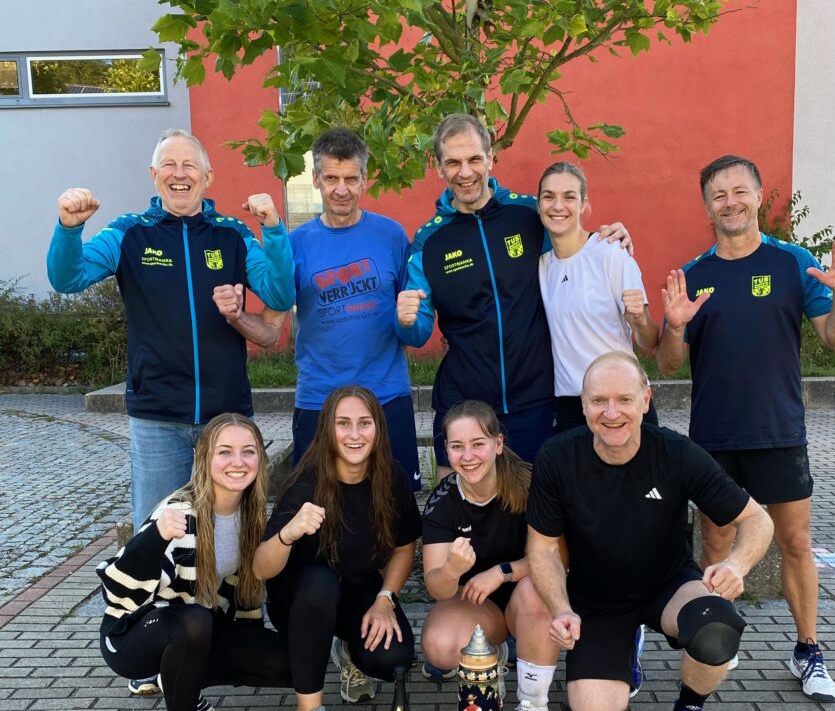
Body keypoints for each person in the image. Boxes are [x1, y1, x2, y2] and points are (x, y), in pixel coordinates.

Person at [657, 154, 835, 701]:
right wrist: (675, 328)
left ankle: (808, 650)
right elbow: (667, 364)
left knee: (795, 541)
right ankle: (715, 639)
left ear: (758, 196)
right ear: (707, 205)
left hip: (779, 432)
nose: (730, 202)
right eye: (718, 195)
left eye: (740, 191)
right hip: (713, 436)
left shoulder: (792, 262)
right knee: (714, 540)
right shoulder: (694, 275)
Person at [527, 353, 774, 711]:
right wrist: (561, 609)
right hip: (598, 599)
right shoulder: (556, 457)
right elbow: (544, 548)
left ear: (645, 399)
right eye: (599, 401)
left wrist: (736, 565)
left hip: (668, 585)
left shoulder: (676, 453)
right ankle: (625, 649)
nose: (611, 413)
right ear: (583, 404)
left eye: (624, 399)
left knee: (716, 626)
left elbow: (757, 519)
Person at [48, 128, 295, 531]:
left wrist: (273, 230)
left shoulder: (232, 234)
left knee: (232, 533)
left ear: (207, 176)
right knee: (157, 536)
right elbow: (67, 278)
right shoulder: (129, 233)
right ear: (154, 175)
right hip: (157, 418)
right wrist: (68, 228)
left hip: (226, 416)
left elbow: (280, 294)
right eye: (169, 165)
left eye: (189, 166)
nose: (179, 174)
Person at [395, 113, 631, 470]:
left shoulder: (528, 214)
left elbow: (576, 247)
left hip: (535, 399)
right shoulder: (429, 240)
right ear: (439, 168)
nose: (465, 172)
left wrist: (611, 236)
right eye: (453, 163)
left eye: (474, 159)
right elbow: (417, 331)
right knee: (456, 500)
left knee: (540, 500)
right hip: (465, 405)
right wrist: (406, 321)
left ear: (490, 158)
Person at [96, 414, 290, 711]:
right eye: (225, 452)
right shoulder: (180, 512)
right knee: (194, 620)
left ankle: (182, 681)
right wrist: (154, 536)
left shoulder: (251, 514)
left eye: (248, 451)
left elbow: (239, 595)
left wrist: (249, 646)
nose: (238, 462)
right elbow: (118, 594)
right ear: (204, 459)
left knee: (289, 663)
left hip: (194, 629)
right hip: (130, 637)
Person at [253, 386, 420, 711]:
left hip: (356, 589)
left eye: (364, 423)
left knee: (394, 658)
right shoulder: (306, 483)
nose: (354, 434)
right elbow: (261, 568)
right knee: (320, 584)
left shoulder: (390, 476)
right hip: (300, 600)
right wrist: (288, 532)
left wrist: (385, 599)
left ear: (378, 429)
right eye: (343, 424)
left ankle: (347, 650)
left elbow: (403, 547)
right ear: (328, 429)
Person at [279, 128, 420, 489]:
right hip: (319, 400)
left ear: (364, 179)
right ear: (315, 179)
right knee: (315, 504)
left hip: (386, 395)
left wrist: (410, 321)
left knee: (395, 504)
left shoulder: (392, 235)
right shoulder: (295, 244)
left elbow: (412, 320)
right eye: (331, 179)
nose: (341, 189)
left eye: (350, 179)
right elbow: (274, 310)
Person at [420, 401, 560, 711]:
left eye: (477, 444)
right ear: (446, 450)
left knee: (536, 590)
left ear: (498, 443)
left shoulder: (530, 483)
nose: (468, 456)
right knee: (439, 646)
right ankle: (494, 654)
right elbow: (436, 587)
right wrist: (451, 570)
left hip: (526, 591)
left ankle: (534, 709)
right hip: (478, 604)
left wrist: (502, 572)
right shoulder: (443, 500)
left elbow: (560, 557)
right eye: (457, 446)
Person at [537, 161, 659, 430]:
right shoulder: (542, 266)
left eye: (569, 197)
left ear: (584, 204)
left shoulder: (610, 252)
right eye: (549, 196)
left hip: (621, 399)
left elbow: (650, 340)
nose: (558, 206)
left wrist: (639, 320)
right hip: (571, 404)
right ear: (538, 204)